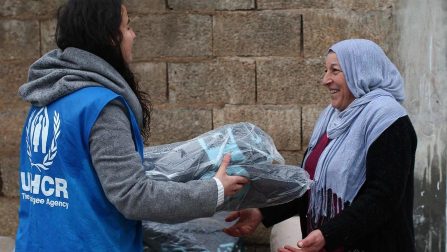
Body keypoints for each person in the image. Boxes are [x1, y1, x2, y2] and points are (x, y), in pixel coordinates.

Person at [15, 0, 249, 251]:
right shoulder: (101, 106)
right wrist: (213, 191)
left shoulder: (46, 98)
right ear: (108, 37)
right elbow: (134, 196)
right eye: (127, 27)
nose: (133, 35)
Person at [223, 39, 417, 252]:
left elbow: (382, 198)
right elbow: (311, 184)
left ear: (361, 71)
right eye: (325, 70)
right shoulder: (333, 118)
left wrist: (328, 235)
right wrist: (262, 212)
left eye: (335, 71)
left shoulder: (389, 121)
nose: (325, 80)